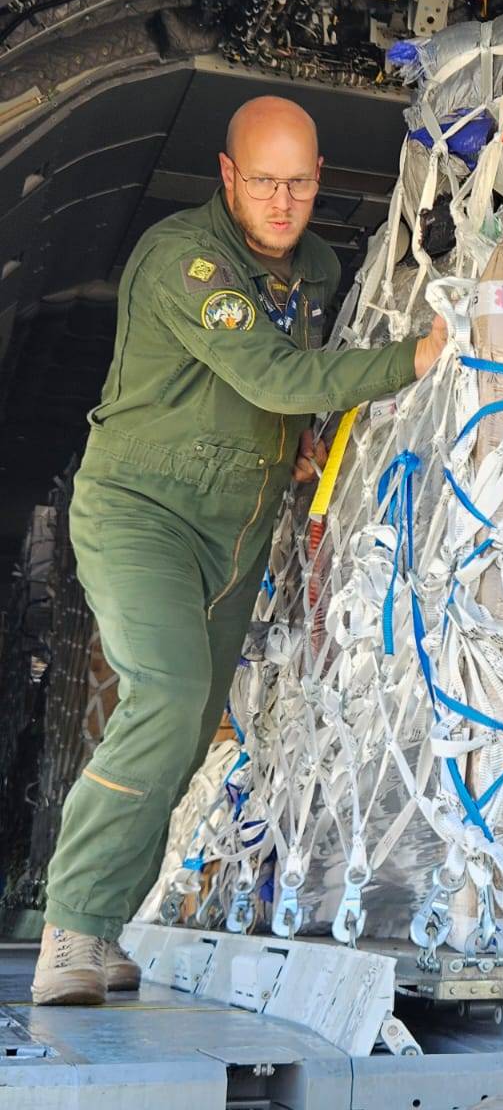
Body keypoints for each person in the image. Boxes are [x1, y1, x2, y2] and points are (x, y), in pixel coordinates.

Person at [31, 96, 448, 1005]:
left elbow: (271, 394)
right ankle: (67, 924)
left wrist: (291, 442)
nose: (282, 201)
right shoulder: (188, 260)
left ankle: (101, 928)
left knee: (183, 736)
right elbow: (271, 372)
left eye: (299, 183)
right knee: (169, 695)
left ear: (318, 182)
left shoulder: (319, 269)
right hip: (143, 515)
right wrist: (410, 359)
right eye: (262, 181)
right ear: (228, 177)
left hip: (237, 534)